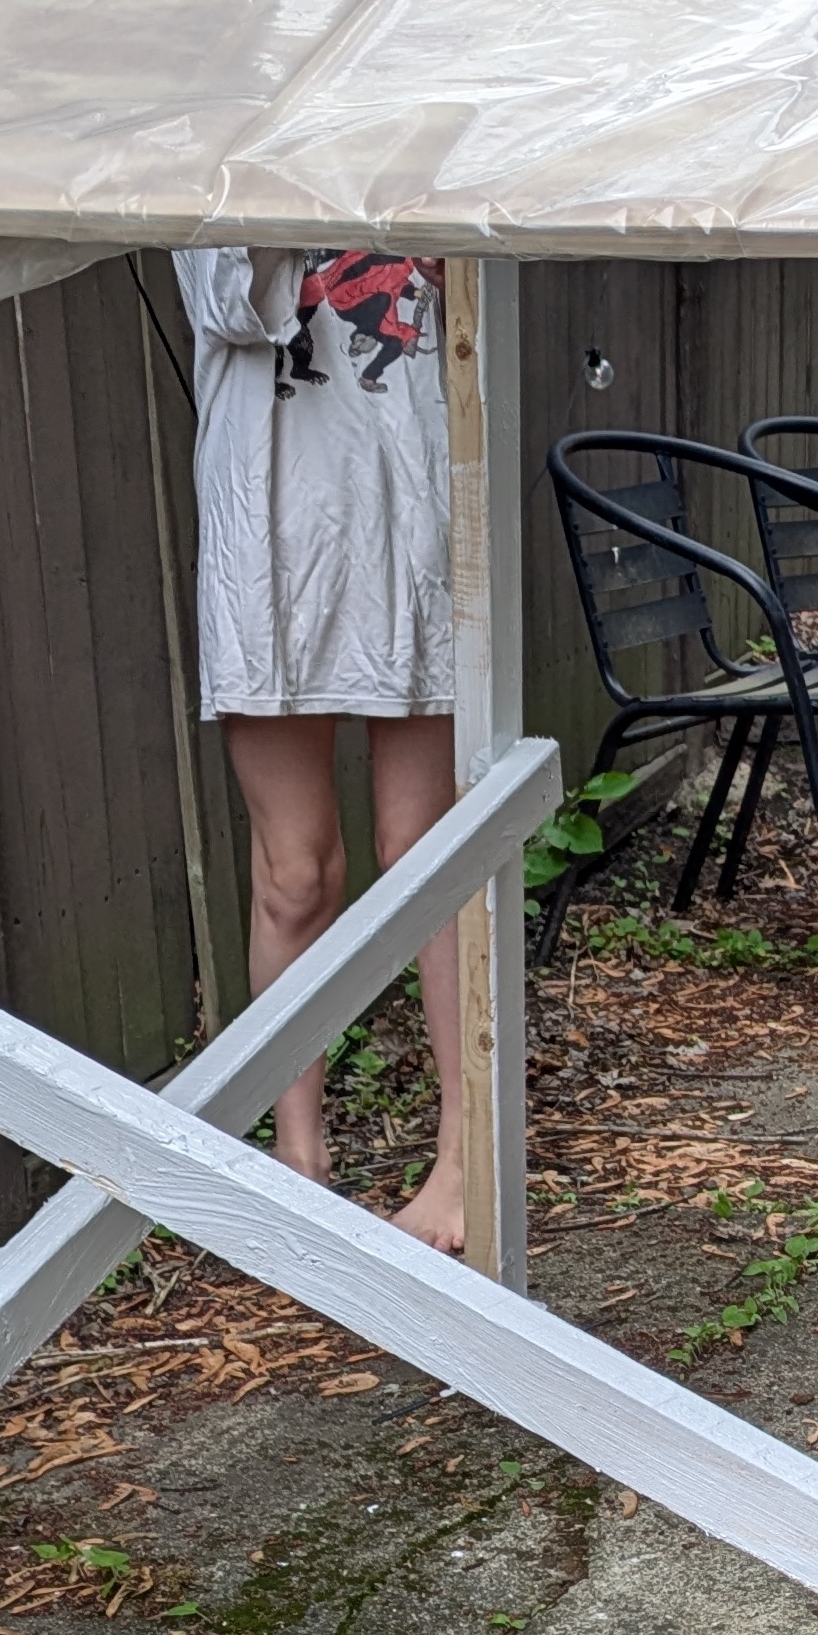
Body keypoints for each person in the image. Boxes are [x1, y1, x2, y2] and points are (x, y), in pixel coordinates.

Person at [176, 245, 474, 1253]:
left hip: (414, 520)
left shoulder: (430, 154)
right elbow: (234, 305)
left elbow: (483, 320)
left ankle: (463, 1153)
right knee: (293, 874)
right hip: (269, 540)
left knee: (427, 856)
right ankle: (297, 1161)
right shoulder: (212, 166)